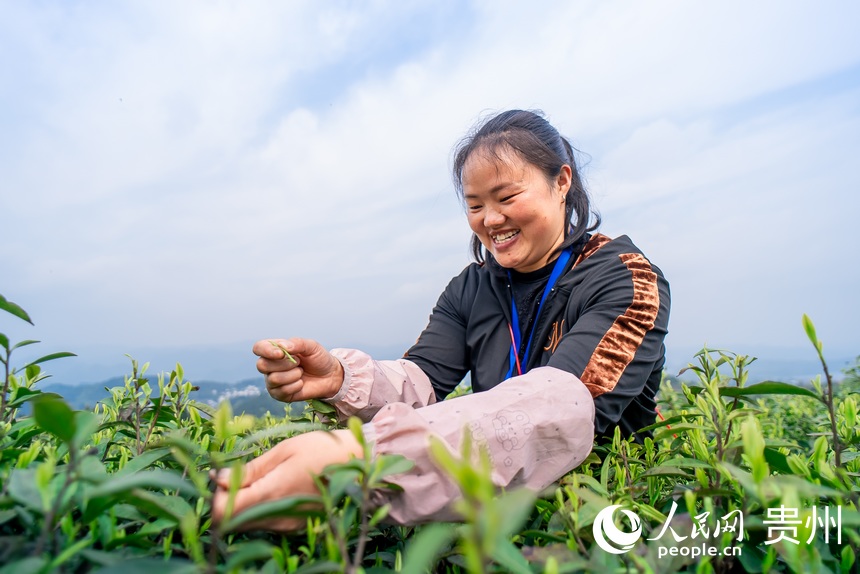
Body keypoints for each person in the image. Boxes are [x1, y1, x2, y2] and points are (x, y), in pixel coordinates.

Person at [211, 109, 670, 530]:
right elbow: (423, 379)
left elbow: (561, 404)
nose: (490, 219)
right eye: (474, 205)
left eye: (506, 196)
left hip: (602, 514)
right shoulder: (472, 289)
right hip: (494, 514)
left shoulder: (624, 279)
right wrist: (340, 378)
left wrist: (358, 459)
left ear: (562, 181)